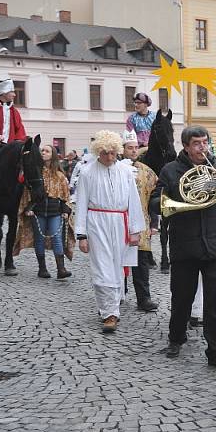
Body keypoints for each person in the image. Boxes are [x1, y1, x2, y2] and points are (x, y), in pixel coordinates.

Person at [149, 126, 216, 369]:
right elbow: (155, 203)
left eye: (205, 142)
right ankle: (176, 338)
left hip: (214, 243)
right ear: (186, 146)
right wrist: (176, 199)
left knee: (215, 300)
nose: (202, 148)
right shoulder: (171, 170)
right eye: (196, 143)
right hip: (184, 243)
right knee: (182, 296)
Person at [75, 130, 144, 333]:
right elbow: (81, 204)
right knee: (102, 268)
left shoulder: (125, 172)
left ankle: (112, 305)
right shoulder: (87, 173)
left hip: (120, 222)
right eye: (105, 153)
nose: (110, 157)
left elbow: (133, 201)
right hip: (97, 223)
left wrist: (135, 229)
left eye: (113, 153)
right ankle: (109, 313)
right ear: (99, 152)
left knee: (117, 267)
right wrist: (81, 234)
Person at [15, 144, 75, 280]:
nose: (43, 152)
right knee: (39, 239)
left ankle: (61, 269)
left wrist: (65, 211)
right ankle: (42, 268)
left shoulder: (60, 176)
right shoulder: (36, 173)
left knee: (57, 239)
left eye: (47, 151)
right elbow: (27, 193)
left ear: (52, 155)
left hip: (55, 212)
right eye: (42, 150)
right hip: (38, 212)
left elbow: (66, 197)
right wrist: (28, 209)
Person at [119, 130, 159, 312]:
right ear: (123, 149)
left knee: (141, 262)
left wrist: (153, 224)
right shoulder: (115, 170)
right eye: (130, 148)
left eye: (136, 148)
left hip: (141, 223)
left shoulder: (147, 172)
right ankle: (119, 293)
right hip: (118, 222)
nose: (134, 151)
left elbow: (154, 199)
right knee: (119, 260)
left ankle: (144, 298)